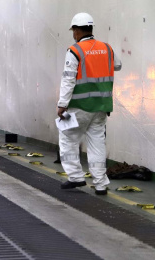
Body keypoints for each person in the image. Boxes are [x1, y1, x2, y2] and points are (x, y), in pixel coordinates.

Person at [56, 13, 121, 196]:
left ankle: (75, 176)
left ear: (77, 31)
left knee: (68, 138)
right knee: (97, 144)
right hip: (101, 107)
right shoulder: (107, 48)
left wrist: (62, 104)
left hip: (79, 106)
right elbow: (117, 65)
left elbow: (68, 79)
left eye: (73, 31)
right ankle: (100, 184)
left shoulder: (75, 50)